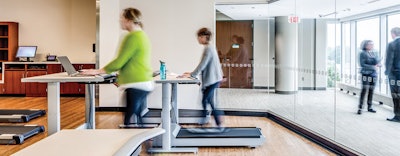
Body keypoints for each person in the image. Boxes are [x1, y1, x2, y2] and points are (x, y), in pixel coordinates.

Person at [80, 7, 153, 126]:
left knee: (129, 122)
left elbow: (120, 61)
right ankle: (145, 140)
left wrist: (97, 71)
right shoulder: (142, 35)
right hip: (143, 82)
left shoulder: (133, 36)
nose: (120, 21)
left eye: (122, 18)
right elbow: (131, 61)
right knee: (137, 118)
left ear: (129, 20)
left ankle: (141, 141)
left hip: (136, 83)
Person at [182, 27, 224, 129]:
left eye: (200, 37)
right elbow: (204, 65)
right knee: (207, 100)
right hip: (214, 78)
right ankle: (209, 121)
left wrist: (192, 74)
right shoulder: (209, 47)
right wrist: (192, 73)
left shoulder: (209, 48)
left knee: (206, 100)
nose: (198, 39)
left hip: (213, 79)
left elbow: (202, 64)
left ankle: (215, 122)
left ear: (205, 37)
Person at [357, 40, 380, 115]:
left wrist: (378, 63)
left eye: (372, 44)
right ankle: (360, 107)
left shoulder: (373, 52)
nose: (371, 46)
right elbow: (362, 64)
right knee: (364, 90)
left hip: (373, 75)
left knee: (371, 90)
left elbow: (377, 62)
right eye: (370, 44)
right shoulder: (362, 53)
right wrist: (373, 67)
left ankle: (369, 107)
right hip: (365, 74)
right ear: (365, 45)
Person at [385, 27, 400, 122]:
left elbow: (389, 60)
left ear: (393, 34)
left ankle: (397, 116)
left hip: (395, 74)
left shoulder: (392, 44)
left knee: (395, 95)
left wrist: (387, 72)